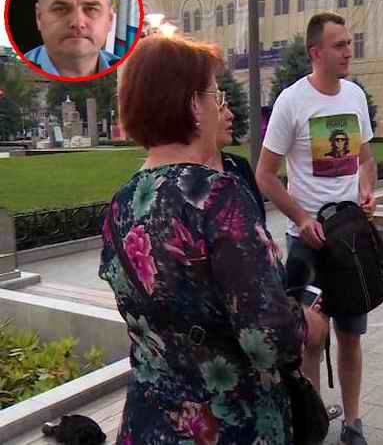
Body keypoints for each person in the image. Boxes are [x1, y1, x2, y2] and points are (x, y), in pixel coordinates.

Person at [99, 35, 327, 444]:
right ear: (192, 105)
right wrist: (310, 323)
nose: (218, 103)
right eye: (214, 94)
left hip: (147, 424)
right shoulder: (216, 196)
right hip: (225, 426)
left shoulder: (120, 203)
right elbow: (270, 341)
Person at [255, 12, 377, 445]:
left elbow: (365, 159)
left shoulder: (356, 97)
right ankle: (311, 424)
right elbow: (265, 174)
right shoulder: (292, 101)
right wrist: (302, 219)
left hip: (350, 240)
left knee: (350, 333)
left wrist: (367, 190)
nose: (349, 50)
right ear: (315, 52)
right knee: (308, 337)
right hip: (307, 246)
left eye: (349, 42)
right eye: (340, 45)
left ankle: (353, 422)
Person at [25, 0, 119, 77]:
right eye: (60, 9)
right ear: (39, 17)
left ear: (110, 19)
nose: (78, 23)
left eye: (91, 9)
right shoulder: (9, 73)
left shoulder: (132, 72)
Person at [207, 99, 265, 221]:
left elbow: (260, 221)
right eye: (221, 109)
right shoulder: (182, 177)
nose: (230, 115)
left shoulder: (240, 166)